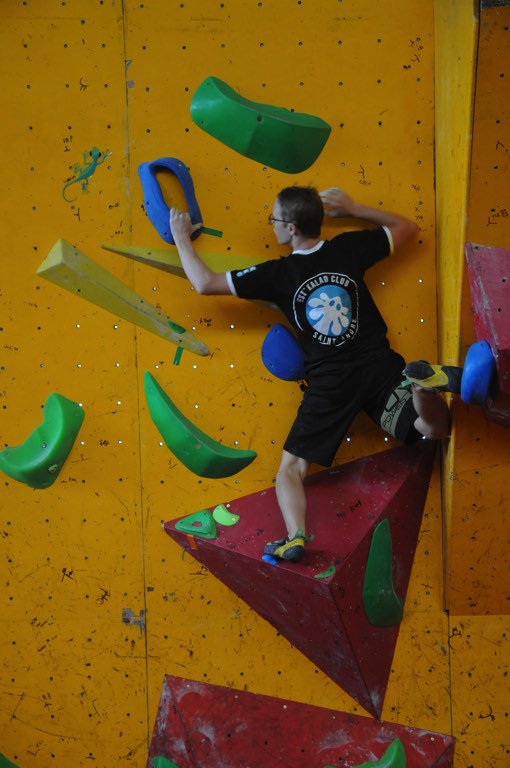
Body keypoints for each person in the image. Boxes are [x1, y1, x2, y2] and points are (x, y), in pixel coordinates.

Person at [169, 186, 461, 563]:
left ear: (291, 228)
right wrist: (355, 208)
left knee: (291, 468)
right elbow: (407, 227)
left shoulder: (277, 274)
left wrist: (180, 237)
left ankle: (295, 537)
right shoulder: (347, 249)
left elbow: (204, 283)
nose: (272, 225)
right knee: (432, 431)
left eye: (274, 219)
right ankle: (423, 386)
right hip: (380, 367)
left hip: (331, 385)